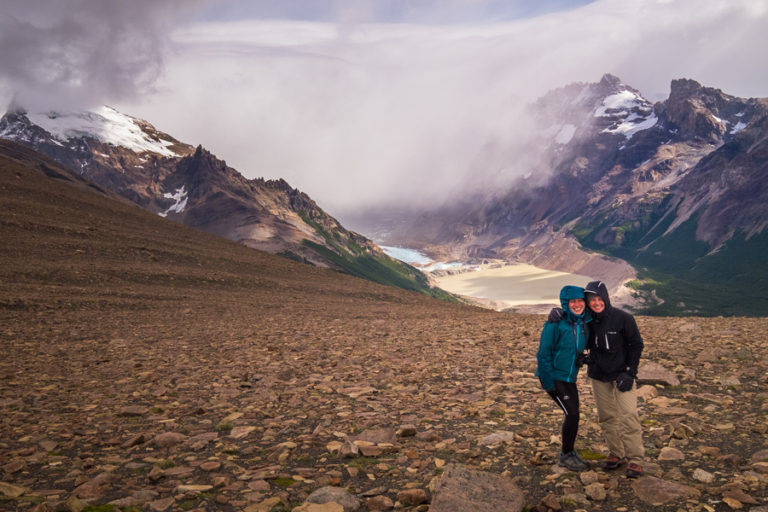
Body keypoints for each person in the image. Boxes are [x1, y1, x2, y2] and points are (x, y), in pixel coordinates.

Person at [550, 280, 646, 477]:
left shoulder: (623, 318)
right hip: (599, 375)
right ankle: (616, 453)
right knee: (607, 416)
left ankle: (635, 459)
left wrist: (630, 372)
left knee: (628, 414)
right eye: (591, 300)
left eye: (599, 298)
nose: (595, 303)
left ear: (606, 297)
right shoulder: (587, 320)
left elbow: (636, 345)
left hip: (621, 375)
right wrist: (555, 314)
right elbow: (570, 320)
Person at [536, 285, 591, 471]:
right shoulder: (555, 323)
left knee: (574, 414)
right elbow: (543, 354)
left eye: (579, 300)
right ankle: (566, 455)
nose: (576, 305)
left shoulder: (583, 323)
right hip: (555, 377)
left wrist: (582, 358)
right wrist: (549, 383)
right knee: (572, 414)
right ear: (565, 303)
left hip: (569, 378)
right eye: (572, 301)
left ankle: (569, 452)